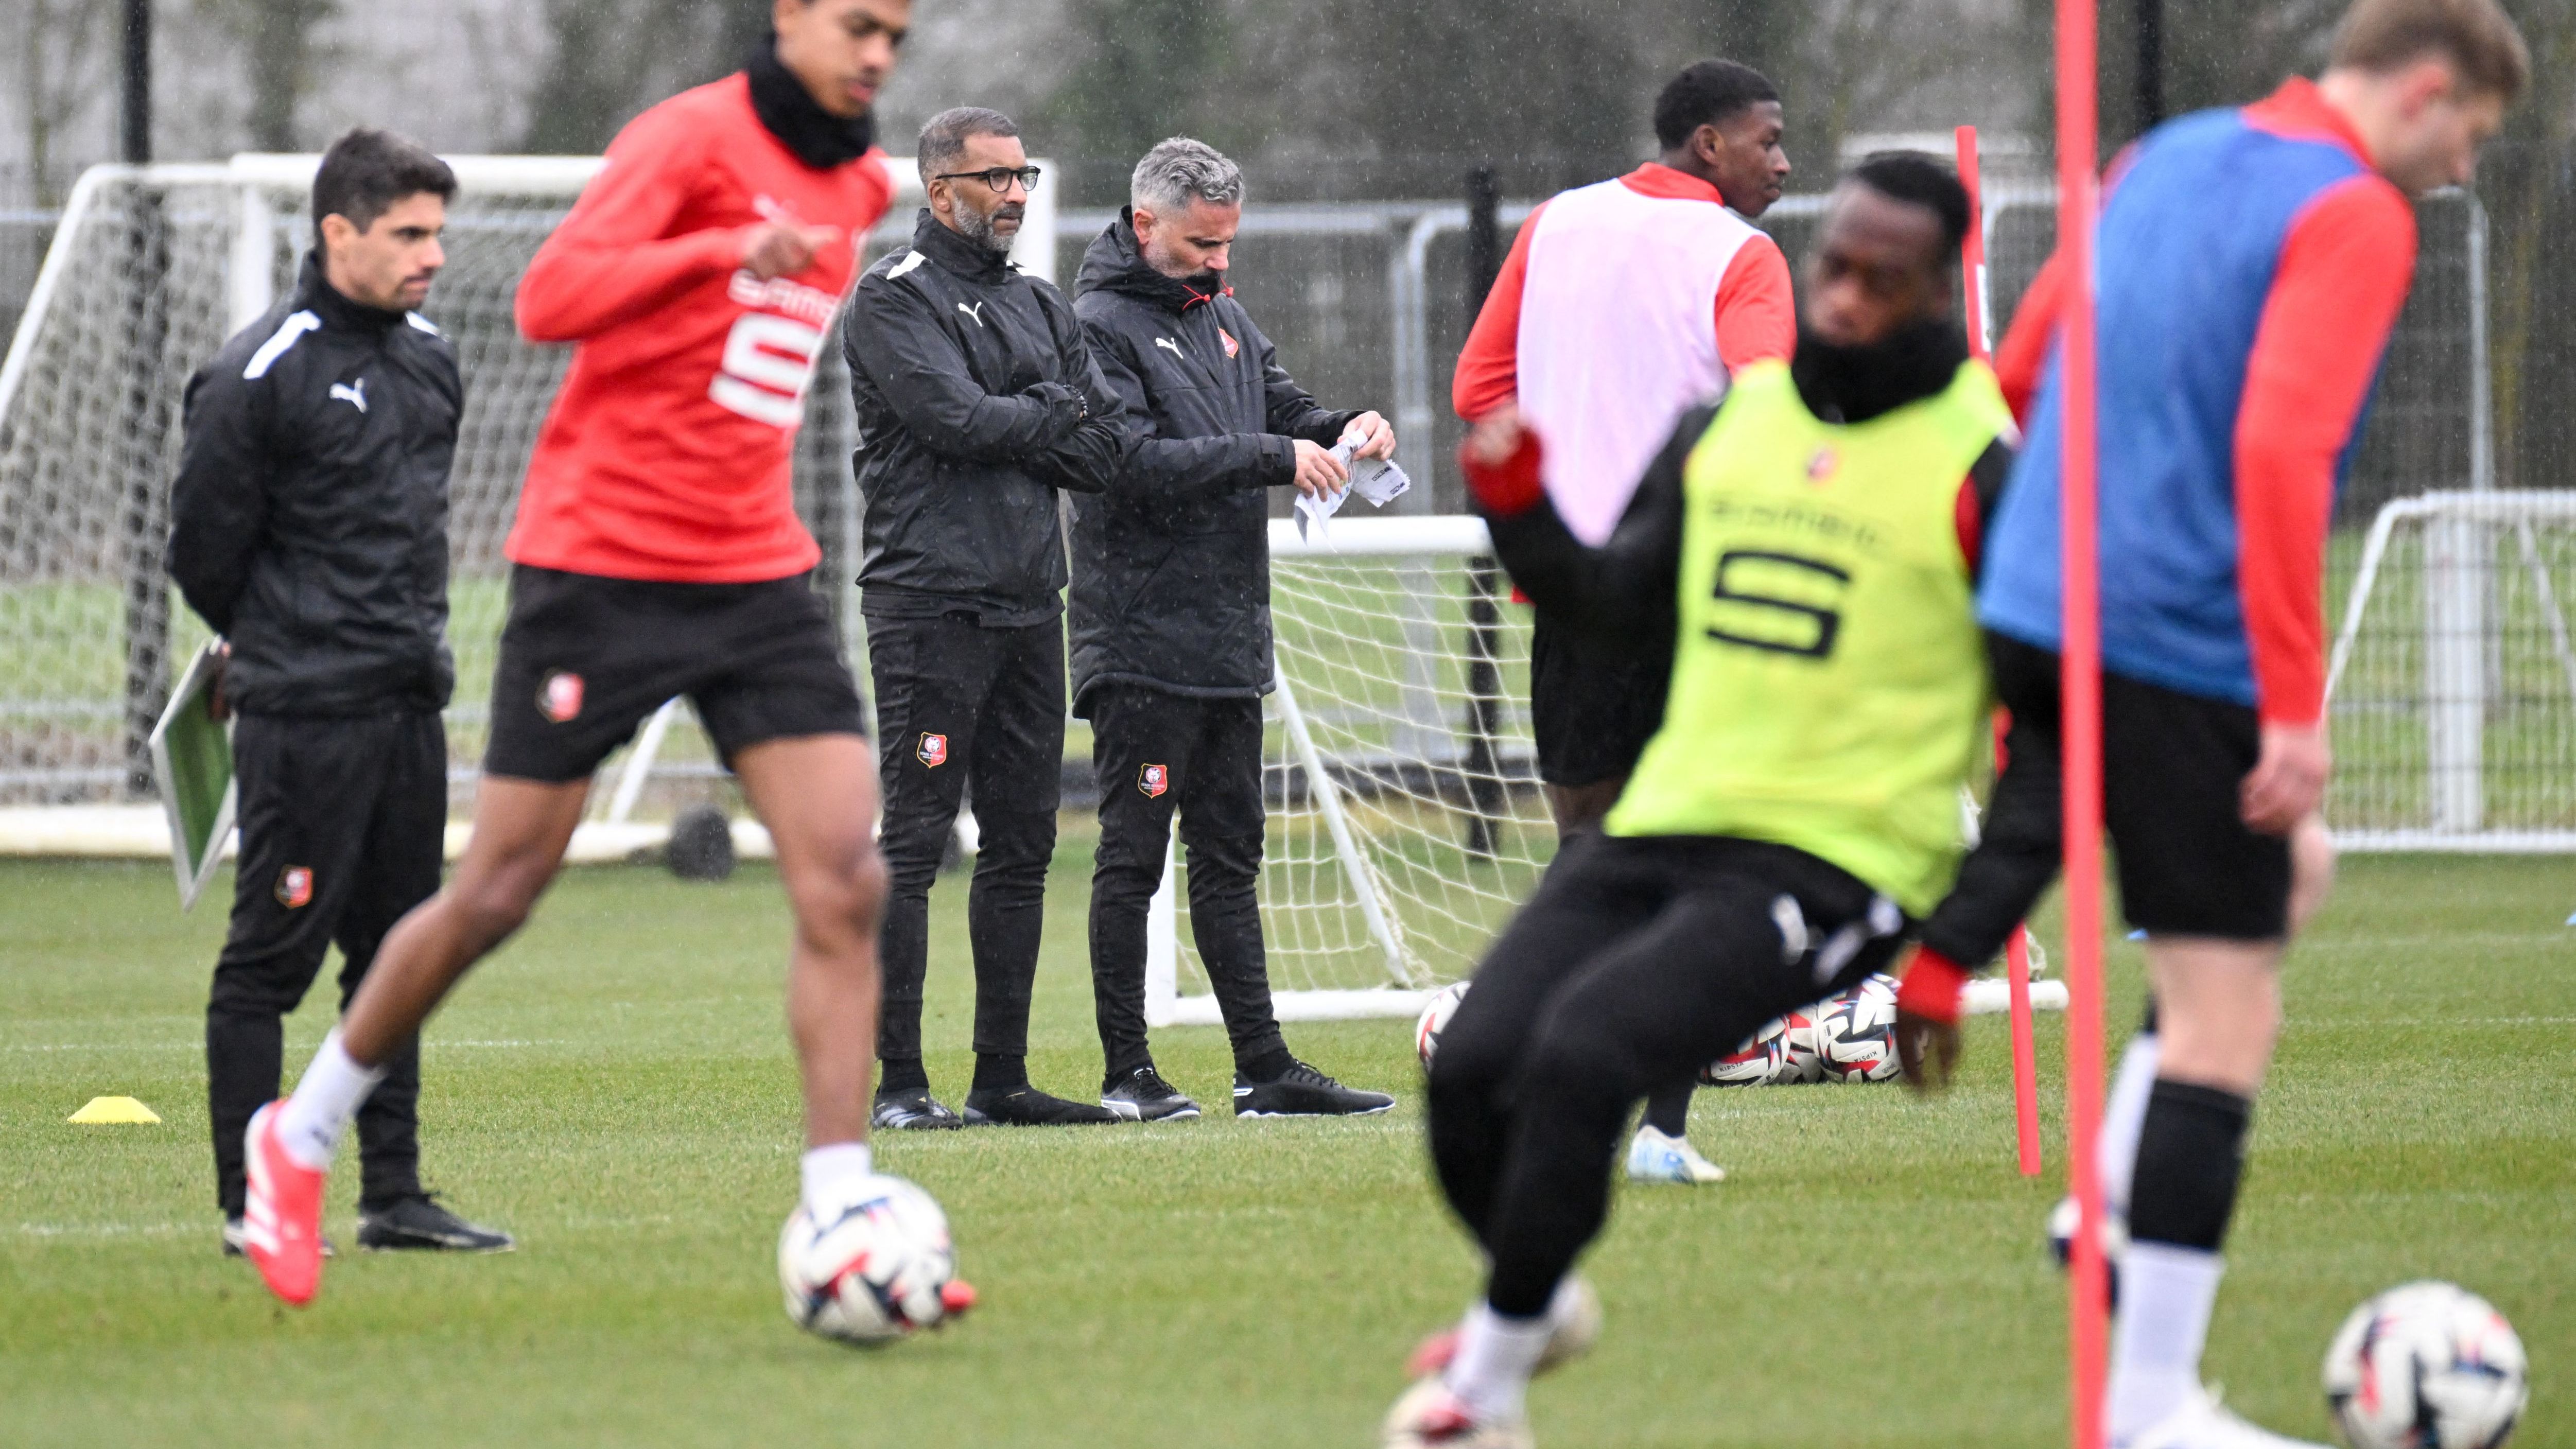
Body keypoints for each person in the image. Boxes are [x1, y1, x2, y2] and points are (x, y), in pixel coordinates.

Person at [1900, 3, 2528, 1445]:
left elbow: (2020, 366)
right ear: (2425, 90)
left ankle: (2103, 1206)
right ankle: (2150, 1403)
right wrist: (2290, 712)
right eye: (2467, 141)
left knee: (2278, 889)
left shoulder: (2167, 155)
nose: (2456, 172)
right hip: (2168, 634)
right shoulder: (2356, 214)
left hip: (2040, 598)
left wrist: (2012, 556)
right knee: (2228, 1013)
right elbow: (2279, 448)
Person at [236, 0, 913, 1308]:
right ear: (789, 19)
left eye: (898, 30)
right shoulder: (687, 138)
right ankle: (302, 1130)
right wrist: (722, 245)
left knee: (847, 880)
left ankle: (843, 1204)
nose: (879, 51)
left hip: (757, 575)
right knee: (497, 891)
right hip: (600, 565)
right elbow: (549, 301)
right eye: (856, 24)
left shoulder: (866, 184)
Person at [1387, 155, 2014, 1449]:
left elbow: (2061, 742)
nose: (1839, 297)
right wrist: (1517, 503)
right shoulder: (1733, 424)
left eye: (1878, 279)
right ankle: (1539, 1301)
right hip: (1667, 821)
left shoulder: (1986, 467)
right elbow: (1609, 605)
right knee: (1475, 1070)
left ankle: (1483, 1394)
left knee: (1587, 1053)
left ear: (1937, 291)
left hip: (1840, 862)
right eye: (1832, 264)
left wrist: (1953, 952)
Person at [166, 129, 511, 1260]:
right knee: (270, 955)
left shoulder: (430, 359)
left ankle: (393, 1192)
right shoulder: (258, 370)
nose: (432, 257)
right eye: (409, 234)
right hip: (305, 713)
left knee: (401, 951)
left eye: (438, 234)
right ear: (338, 233)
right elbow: (205, 554)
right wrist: (279, 644)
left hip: (411, 703)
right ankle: (243, 1198)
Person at [1451, 58, 1797, 1186]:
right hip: (1691, 592)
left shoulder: (1558, 223)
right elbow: (1764, 415)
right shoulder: (1742, 257)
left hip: (1569, 592)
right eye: (1769, 141)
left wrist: (1567, 473)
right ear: (1710, 145)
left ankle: (1539, 1085)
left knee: (1591, 851)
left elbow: (1477, 387)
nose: (1784, 164)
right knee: (1702, 867)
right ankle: (1659, 1129)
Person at [1066, 137, 1400, 1121]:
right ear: (1144, 225)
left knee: (1231, 857)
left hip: (1225, 635)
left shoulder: (1225, 319)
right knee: (1133, 856)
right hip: (1140, 640)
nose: (1220, 263)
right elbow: (1128, 461)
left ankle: (1264, 1069)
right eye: (1203, 244)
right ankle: (1128, 1073)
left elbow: (1286, 409)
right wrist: (1272, 453)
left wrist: (1348, 429)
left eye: (1228, 245)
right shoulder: (1093, 326)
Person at [842, 106, 1131, 1130]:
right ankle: (900, 1085)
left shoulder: (1042, 304)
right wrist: (1048, 412)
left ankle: (1001, 1080)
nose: (1015, 194)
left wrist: (1032, 414)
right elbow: (952, 421)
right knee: (916, 840)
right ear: (940, 190)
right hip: (929, 605)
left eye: (1025, 176)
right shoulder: (892, 300)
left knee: (1025, 838)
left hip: (1026, 606)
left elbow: (1101, 453)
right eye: (995, 177)